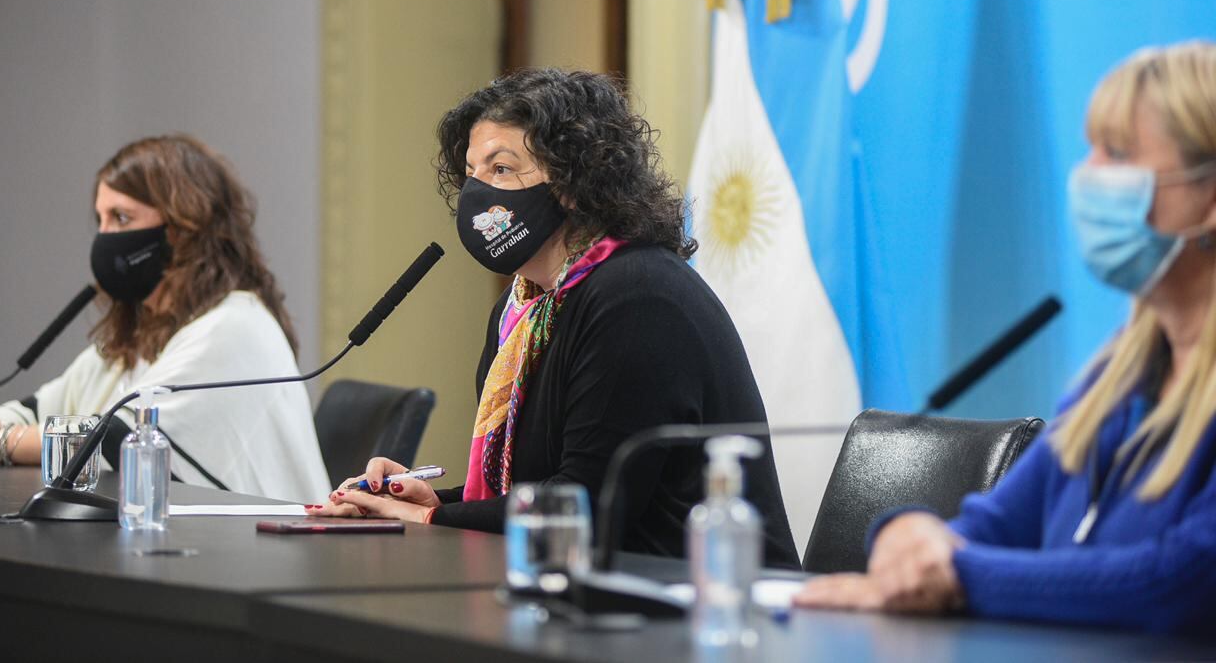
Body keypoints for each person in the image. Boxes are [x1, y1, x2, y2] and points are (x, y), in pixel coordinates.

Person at [796, 42, 1216, 635]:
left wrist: (959, 573)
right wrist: (909, 535)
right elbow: (993, 528)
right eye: (1091, 150)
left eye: (1120, 155)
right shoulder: (1115, 382)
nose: (1089, 176)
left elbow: (1182, 581)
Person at [310, 68, 799, 567]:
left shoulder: (637, 297)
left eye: (501, 169)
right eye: (472, 173)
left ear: (573, 180)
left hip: (707, 609)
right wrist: (432, 502)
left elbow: (586, 503)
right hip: (590, 594)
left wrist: (433, 522)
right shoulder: (521, 308)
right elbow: (536, 488)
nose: (478, 194)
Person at [0, 135, 330, 504]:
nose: (104, 239)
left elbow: (117, 440)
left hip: (264, 560)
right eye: (101, 220)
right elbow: (38, 412)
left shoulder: (236, 326)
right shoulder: (144, 332)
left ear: (182, 230)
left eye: (121, 219)